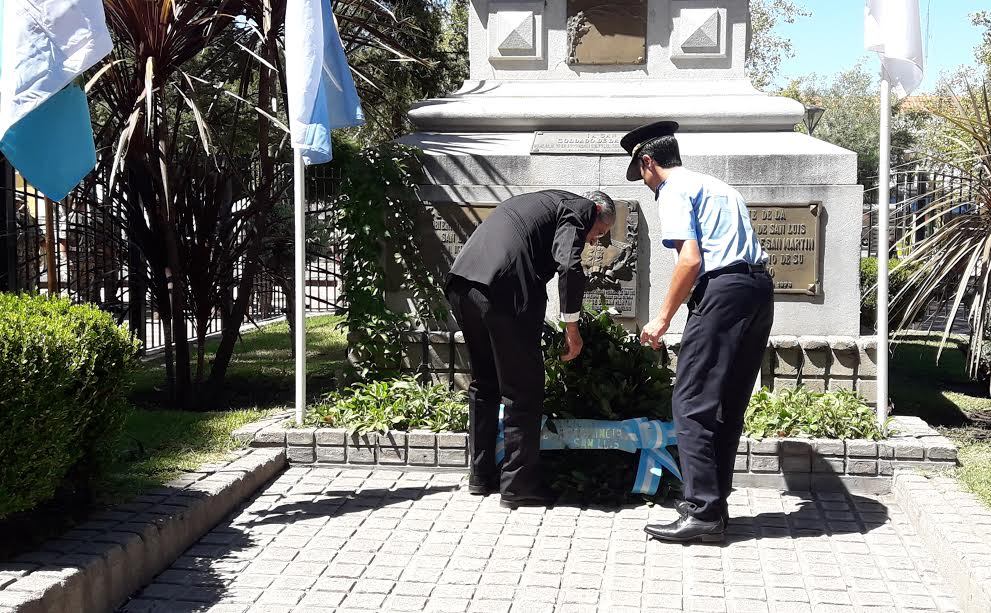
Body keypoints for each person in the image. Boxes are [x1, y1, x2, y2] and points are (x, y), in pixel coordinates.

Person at [621, 121, 774, 543]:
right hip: (759, 289)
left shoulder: (672, 190)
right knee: (725, 402)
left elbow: (689, 260)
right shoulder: (721, 187)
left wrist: (661, 318)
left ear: (648, 161)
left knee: (690, 401)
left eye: (642, 174)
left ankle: (702, 511)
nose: (646, 184)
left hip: (722, 292)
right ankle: (713, 504)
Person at [445, 190, 616, 509]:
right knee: (523, 389)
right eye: (599, 234)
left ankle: (481, 477)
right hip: (503, 290)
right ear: (596, 212)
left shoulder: (542, 202)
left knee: (486, 385)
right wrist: (572, 327)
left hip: (462, 284)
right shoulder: (580, 208)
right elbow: (568, 263)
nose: (593, 241)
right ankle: (519, 486)